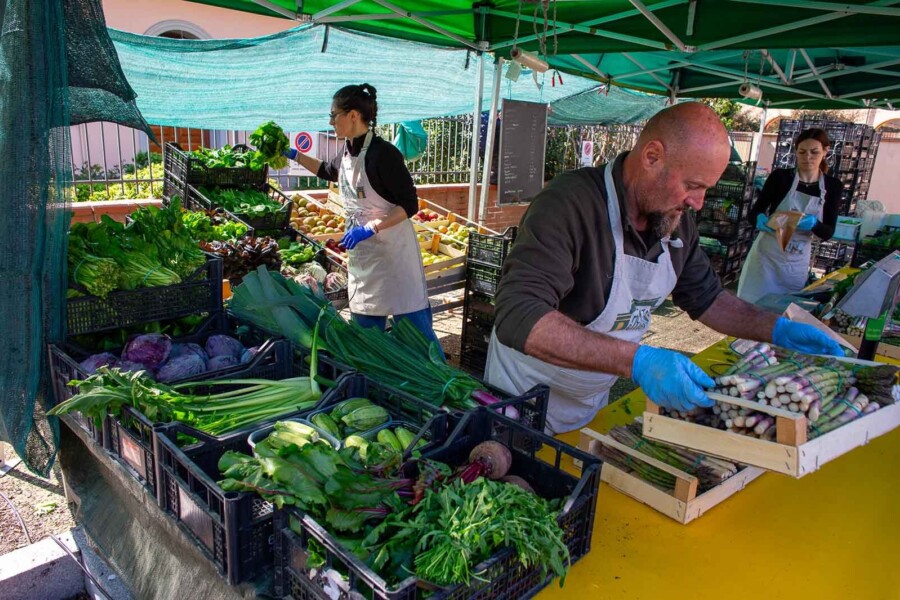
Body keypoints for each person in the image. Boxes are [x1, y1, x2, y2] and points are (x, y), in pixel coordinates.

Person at [485, 102, 844, 434]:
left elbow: (708, 298)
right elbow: (519, 315)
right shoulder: (569, 205)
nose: (698, 203)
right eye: (692, 186)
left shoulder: (675, 221)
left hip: (591, 399)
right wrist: (638, 361)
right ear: (652, 156)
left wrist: (776, 329)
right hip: (521, 398)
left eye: (706, 189)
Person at [285, 84, 440, 348]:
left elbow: (409, 204)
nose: (331, 121)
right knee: (367, 339)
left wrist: (371, 229)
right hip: (364, 260)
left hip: (394, 257)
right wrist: (294, 155)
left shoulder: (384, 155)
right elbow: (326, 170)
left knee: (416, 333)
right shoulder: (346, 152)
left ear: (353, 115)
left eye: (334, 115)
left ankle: (439, 378)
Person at [736, 128, 843, 304]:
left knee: (785, 309)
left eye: (814, 152)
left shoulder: (833, 186)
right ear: (795, 151)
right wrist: (758, 220)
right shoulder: (780, 177)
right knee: (752, 306)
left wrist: (815, 224)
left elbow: (828, 232)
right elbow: (756, 211)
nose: (807, 157)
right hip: (767, 257)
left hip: (796, 261)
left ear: (825, 151)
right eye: (802, 152)